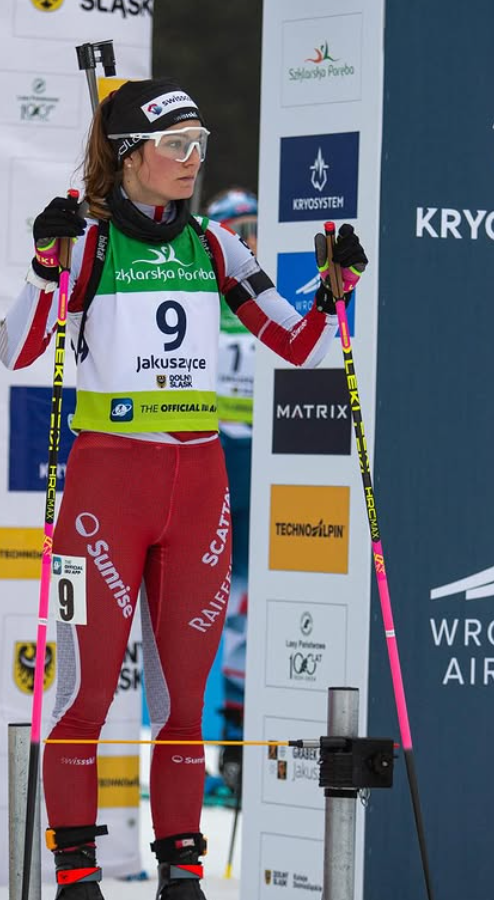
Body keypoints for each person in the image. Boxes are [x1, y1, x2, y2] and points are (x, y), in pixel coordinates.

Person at [0, 77, 367, 900]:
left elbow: (298, 343)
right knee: (86, 698)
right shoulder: (86, 243)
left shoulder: (213, 247)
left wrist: (334, 288)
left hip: (196, 484)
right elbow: (16, 348)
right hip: (107, 486)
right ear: (129, 154)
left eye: (202, 143)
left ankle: (181, 898)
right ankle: (79, 896)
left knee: (184, 709)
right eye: (178, 145)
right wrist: (44, 271)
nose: (194, 161)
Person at [203, 188, 259, 799]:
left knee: (246, 610)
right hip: (211, 457)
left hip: (255, 463)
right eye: (238, 227)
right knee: (208, 608)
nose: (249, 239)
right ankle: (217, 747)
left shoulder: (255, 295)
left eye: (255, 227)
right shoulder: (198, 294)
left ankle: (237, 748)